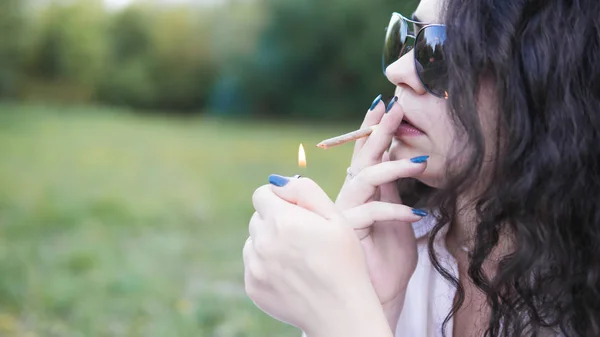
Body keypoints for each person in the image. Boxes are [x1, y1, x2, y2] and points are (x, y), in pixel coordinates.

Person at [242, 0, 600, 335]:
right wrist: (380, 303)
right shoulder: (397, 246)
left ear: (543, 84)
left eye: (441, 51)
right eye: (404, 38)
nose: (398, 71)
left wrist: (344, 317)